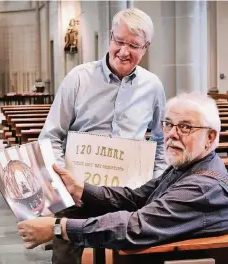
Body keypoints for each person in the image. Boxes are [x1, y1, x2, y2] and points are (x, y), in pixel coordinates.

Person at [18, 92, 228, 252]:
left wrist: (58, 228)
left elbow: (135, 226)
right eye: (168, 124)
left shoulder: (203, 187)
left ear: (210, 137)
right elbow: (136, 198)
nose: (172, 134)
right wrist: (81, 189)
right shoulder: (186, 166)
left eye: (185, 127)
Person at [38, 7, 167, 264]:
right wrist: (65, 179)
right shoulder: (78, 78)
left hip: (128, 192)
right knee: (64, 259)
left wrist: (154, 181)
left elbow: (161, 141)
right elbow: (50, 136)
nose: (124, 51)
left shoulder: (153, 86)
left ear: (146, 47)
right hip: (77, 190)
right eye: (119, 41)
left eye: (134, 45)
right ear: (110, 37)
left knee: (142, 256)